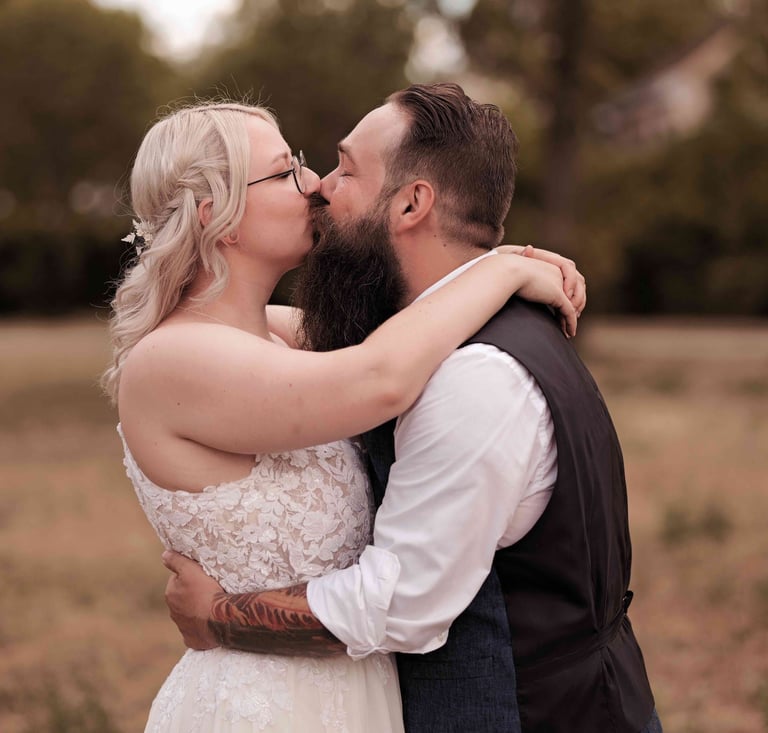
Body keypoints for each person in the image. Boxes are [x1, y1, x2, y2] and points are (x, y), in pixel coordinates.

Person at [163, 84, 663, 733]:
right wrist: (504, 267)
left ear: (410, 202)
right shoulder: (463, 333)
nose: (321, 187)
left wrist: (221, 613)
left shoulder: (472, 376)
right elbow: (260, 333)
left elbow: (401, 602)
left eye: (346, 168)